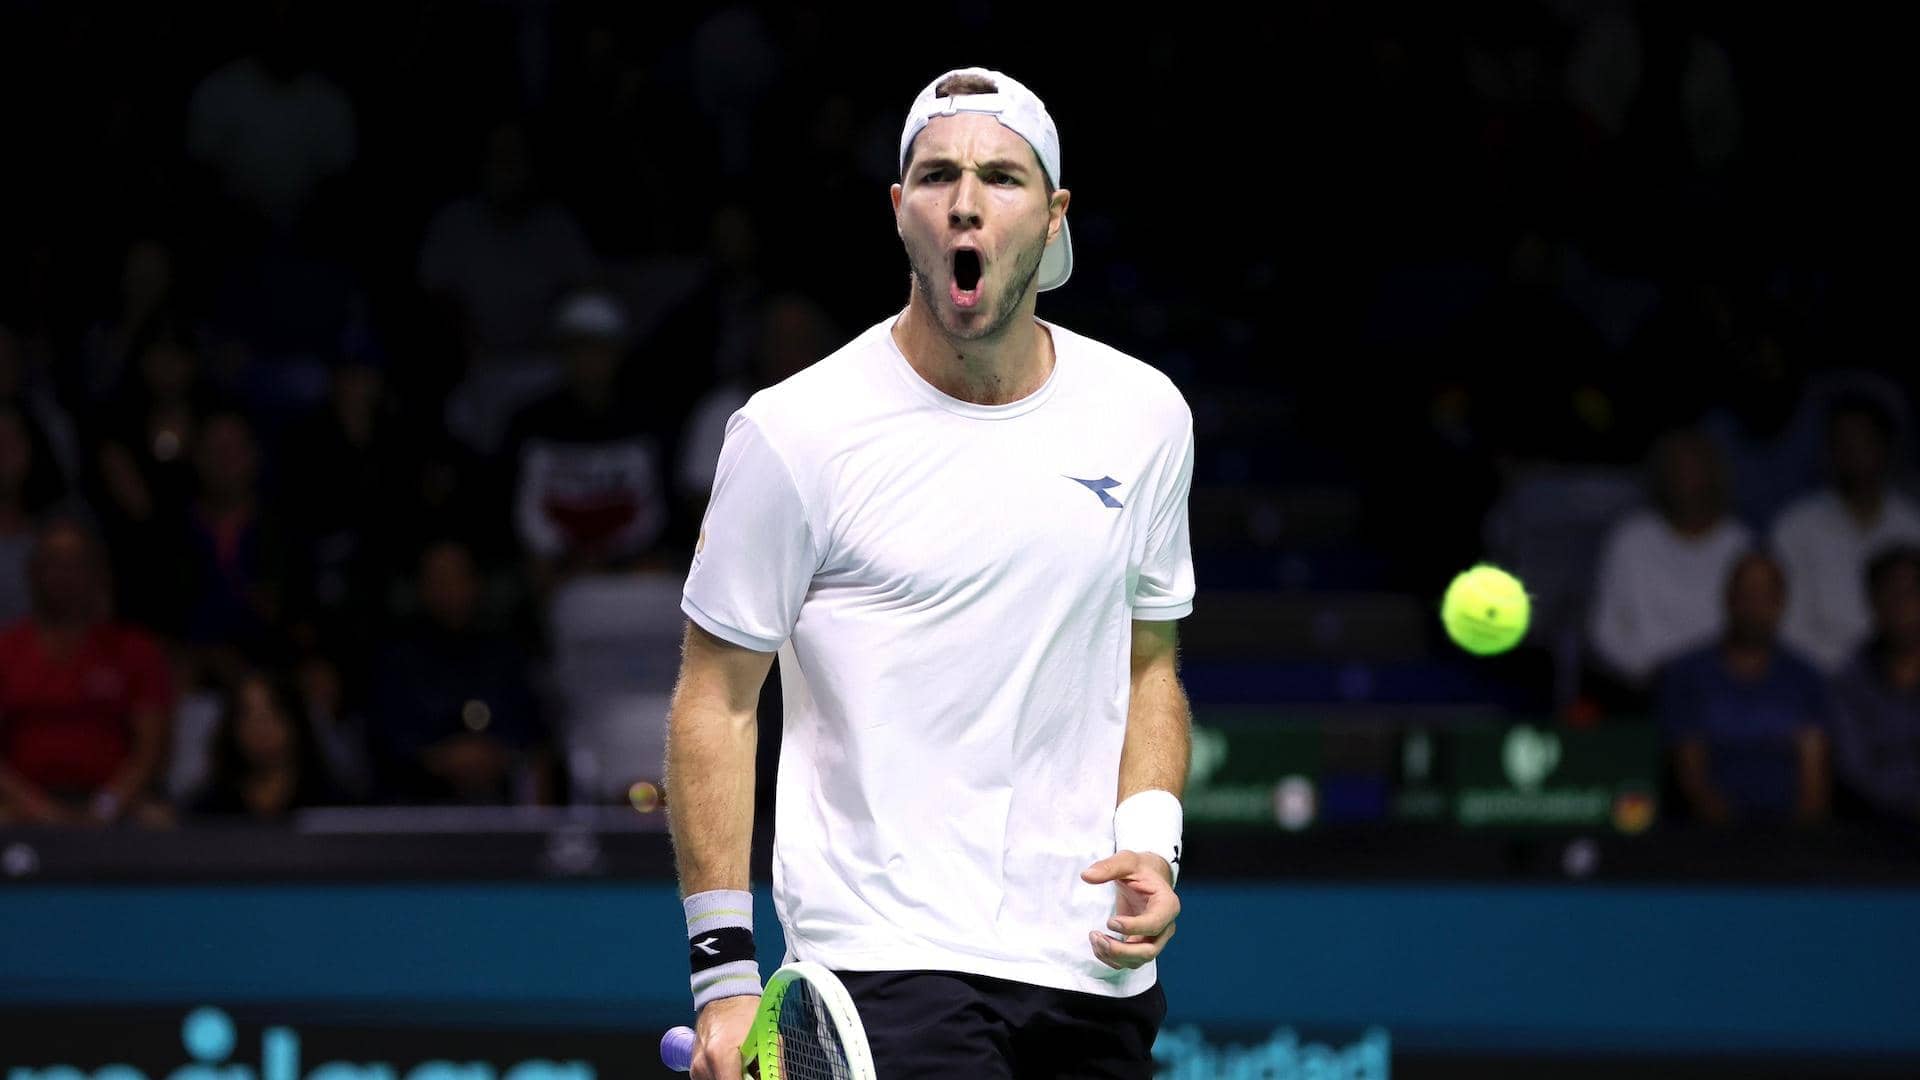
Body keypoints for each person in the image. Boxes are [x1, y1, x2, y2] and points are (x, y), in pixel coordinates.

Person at [667, 68, 1193, 1080]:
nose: (965, 199)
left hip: (1091, 971)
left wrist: (1152, 841)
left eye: (1001, 176)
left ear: (1053, 217)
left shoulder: (1145, 417)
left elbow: (1149, 662)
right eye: (937, 174)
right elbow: (717, 699)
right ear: (901, 212)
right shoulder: (794, 434)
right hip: (882, 971)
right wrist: (725, 975)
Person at [0, 518, 173, 826]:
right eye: (52, 563)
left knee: (158, 822)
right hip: (21, 806)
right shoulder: (6, 649)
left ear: (98, 573)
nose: (63, 575)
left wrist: (107, 806)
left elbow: (151, 748)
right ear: (32, 572)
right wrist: (35, 808)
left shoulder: (135, 650)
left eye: (74, 564)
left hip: (113, 804)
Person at [1656, 552, 1830, 825]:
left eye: (1765, 595)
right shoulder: (1687, 674)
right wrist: (1736, 842)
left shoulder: (1805, 677)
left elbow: (1814, 780)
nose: (1754, 605)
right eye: (1746, 592)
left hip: (1789, 837)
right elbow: (1692, 778)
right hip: (1709, 836)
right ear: (1728, 598)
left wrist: (1799, 845)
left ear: (1781, 603)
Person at [1587, 427, 1752, 695]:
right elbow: (1604, 631)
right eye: (1678, 468)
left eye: (1695, 468)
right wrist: (1646, 672)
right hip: (1641, 689)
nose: (1686, 479)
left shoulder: (1740, 544)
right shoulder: (1630, 540)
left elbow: (1754, 625)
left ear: (1714, 474)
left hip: (1726, 693)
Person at [1771, 393, 1920, 673]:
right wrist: (1847, 675)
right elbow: (1789, 626)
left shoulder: (1913, 526)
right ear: (1829, 451)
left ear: (1886, 447)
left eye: (1865, 441)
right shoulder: (1795, 527)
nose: (1854, 452)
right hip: (1818, 678)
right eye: (1843, 442)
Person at [1829, 546, 1920, 824]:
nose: (1901, 605)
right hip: (1873, 831)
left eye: (1911, 592)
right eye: (1890, 593)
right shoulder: (1852, 678)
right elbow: (1854, 770)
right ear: (1873, 601)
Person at [188, 669, 342, 819]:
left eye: (271, 712)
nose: (259, 727)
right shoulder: (208, 809)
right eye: (246, 714)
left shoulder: (333, 804)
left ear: (294, 719)